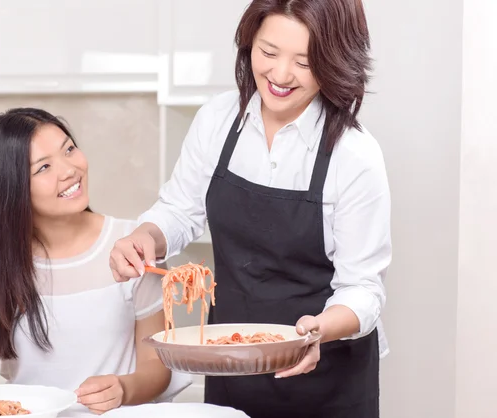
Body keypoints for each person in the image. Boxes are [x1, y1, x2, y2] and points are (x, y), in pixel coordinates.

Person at [109, 0, 391, 417]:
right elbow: (180, 210)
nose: (279, 75)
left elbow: (362, 288)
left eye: (304, 61)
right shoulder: (218, 120)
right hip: (231, 361)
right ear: (248, 44)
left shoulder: (354, 155)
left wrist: (317, 332)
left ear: (334, 60)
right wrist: (143, 237)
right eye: (268, 52)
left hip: (329, 375)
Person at [0, 108, 192, 415]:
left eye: (69, 149)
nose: (68, 170)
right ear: (10, 188)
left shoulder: (130, 244)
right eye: (44, 167)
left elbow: (156, 368)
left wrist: (124, 388)